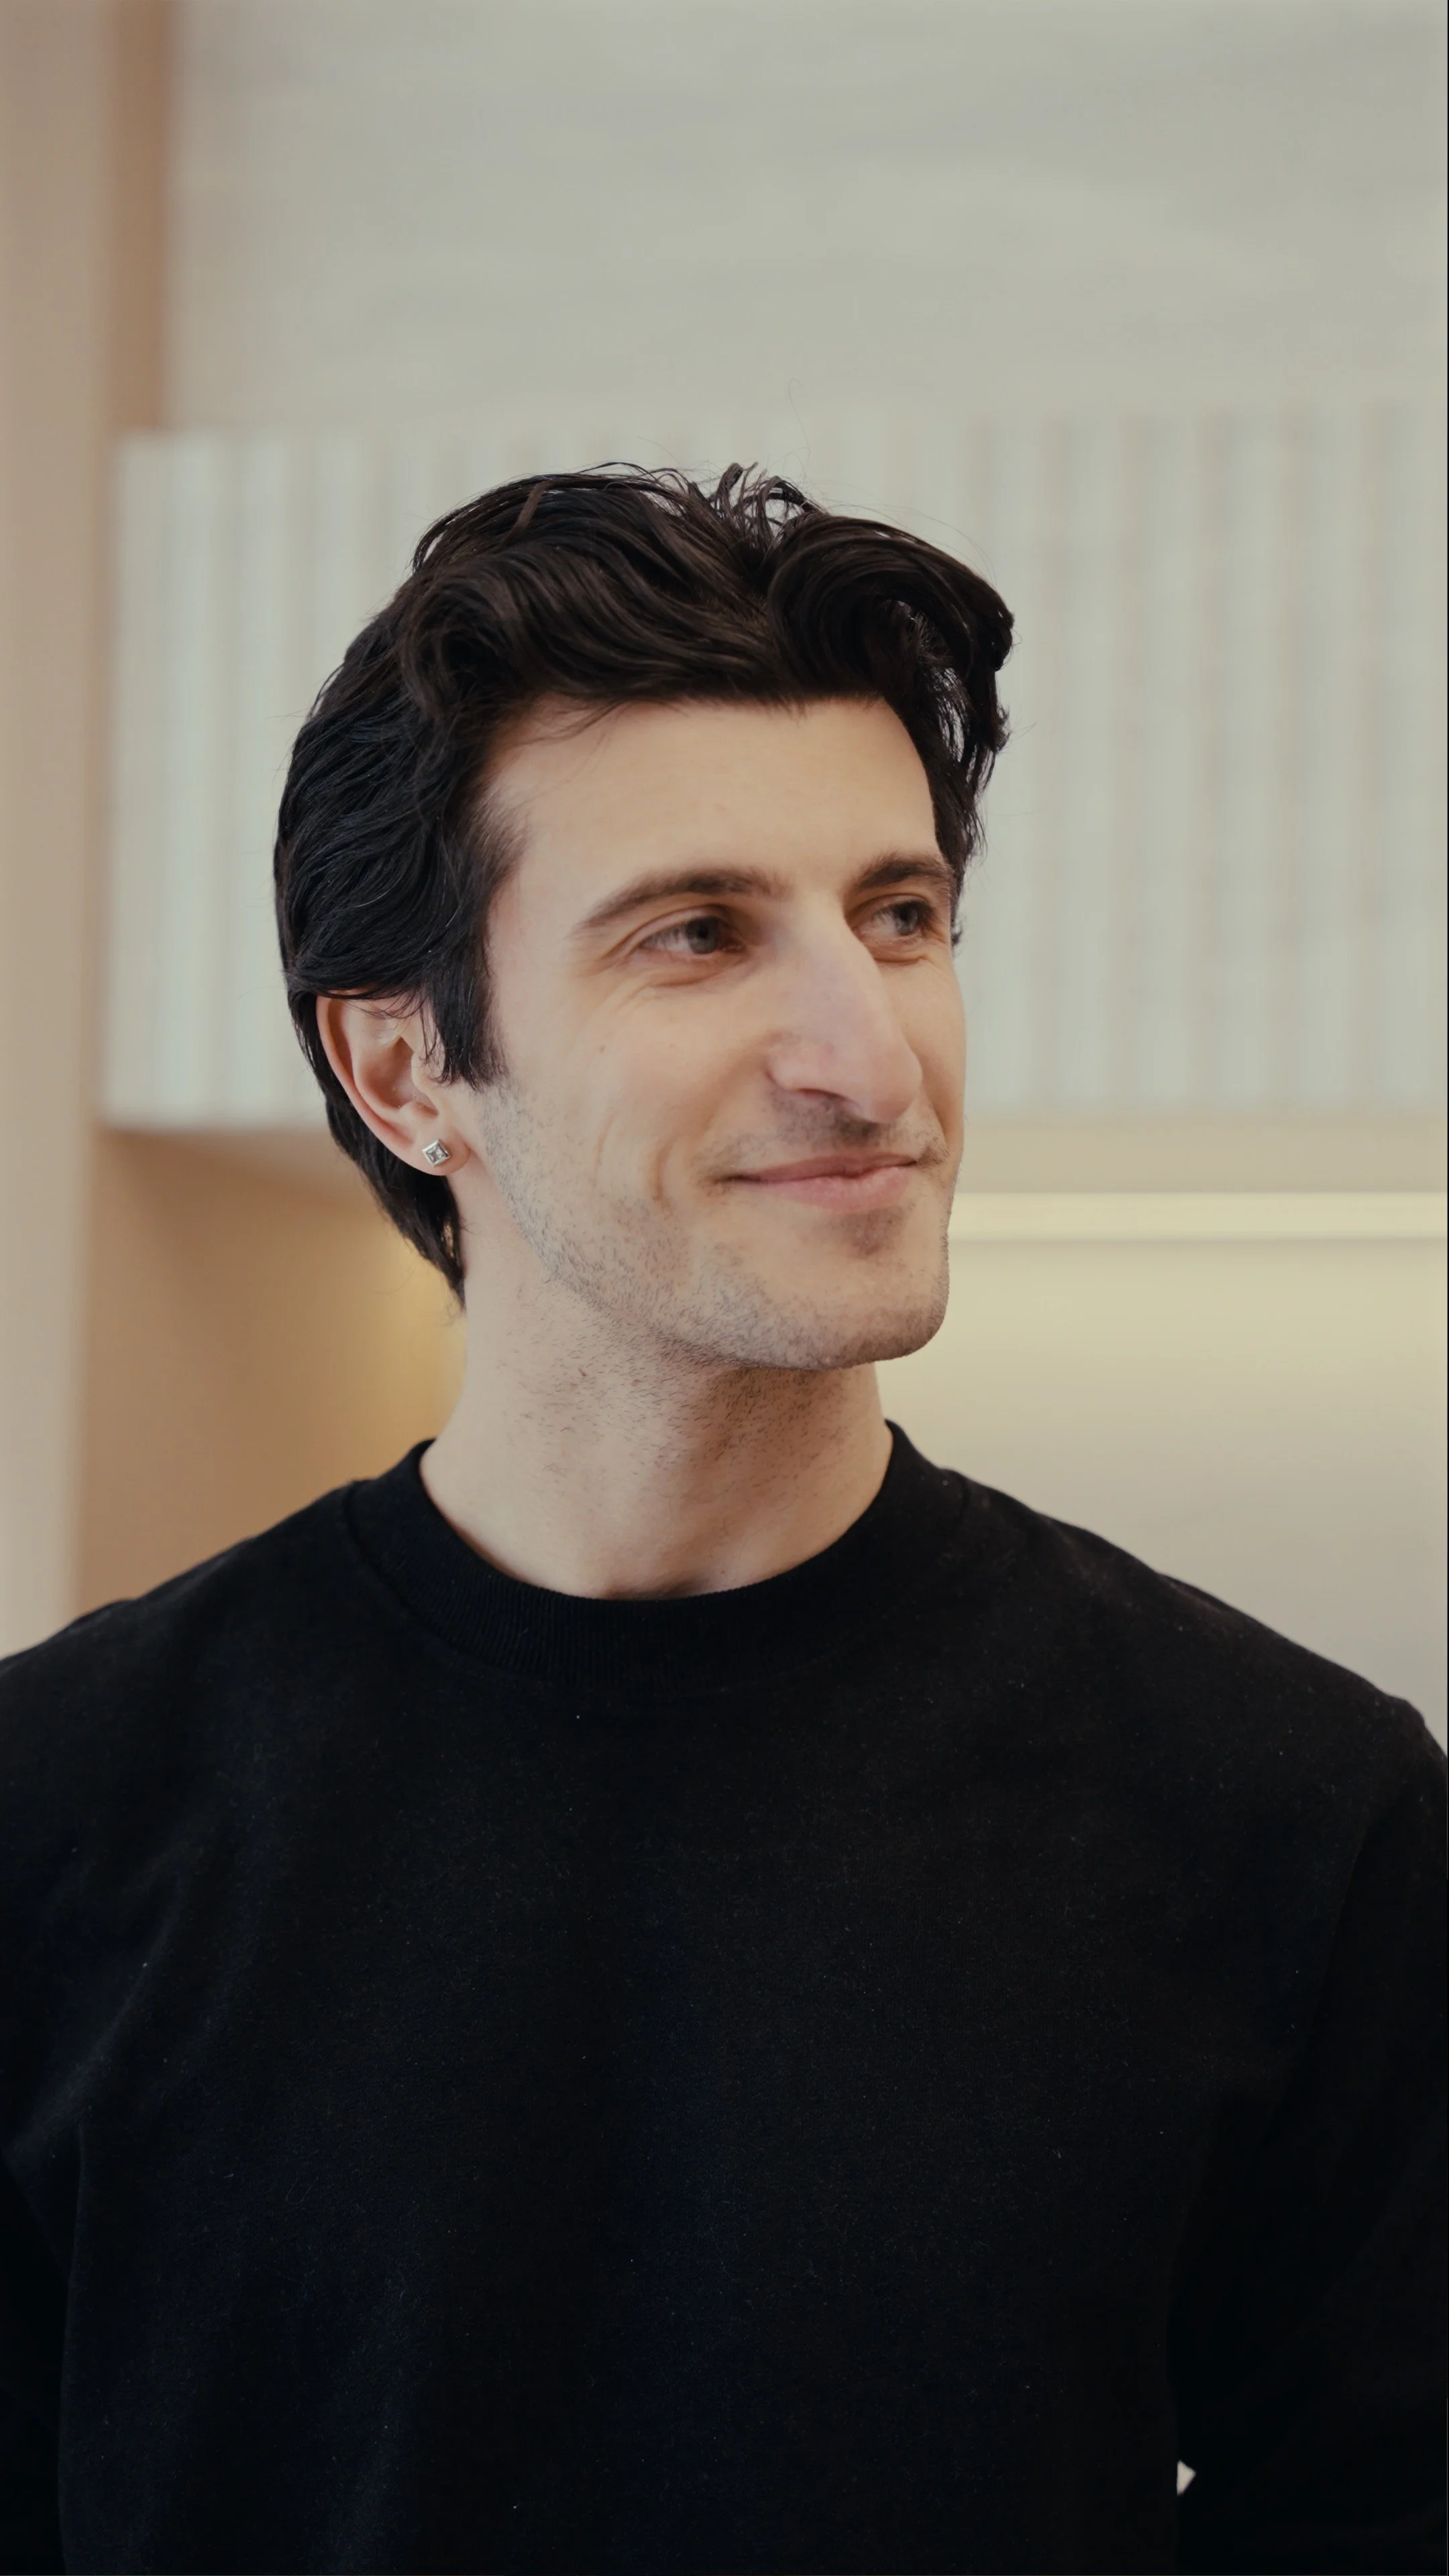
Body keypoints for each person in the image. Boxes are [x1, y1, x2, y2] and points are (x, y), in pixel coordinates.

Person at [0, 467, 1442, 2576]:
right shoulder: (53, 1816)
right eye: (699, 933)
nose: (874, 1056)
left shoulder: (1300, 1817)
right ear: (408, 1070)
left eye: (903, 915)